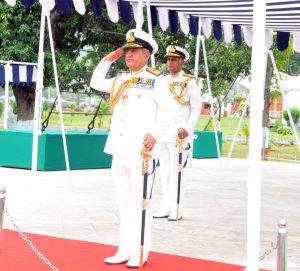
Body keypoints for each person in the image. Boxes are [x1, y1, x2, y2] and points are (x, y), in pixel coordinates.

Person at [90, 29, 165, 268]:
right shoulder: (121, 79)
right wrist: (107, 60)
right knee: (124, 203)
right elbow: (95, 82)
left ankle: (141, 251)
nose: (128, 55)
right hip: (119, 149)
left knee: (141, 203)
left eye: (133, 51)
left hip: (141, 152)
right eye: (127, 51)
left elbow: (169, 113)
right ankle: (125, 248)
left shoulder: (156, 80)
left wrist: (155, 135)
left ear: (146, 54)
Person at [153, 45, 201, 221]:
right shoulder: (162, 80)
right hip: (163, 133)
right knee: (165, 170)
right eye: (168, 59)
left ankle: (177, 207)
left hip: (179, 134)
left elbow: (196, 107)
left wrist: (187, 128)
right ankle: (165, 205)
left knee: (178, 172)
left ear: (182, 61)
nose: (170, 62)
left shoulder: (190, 81)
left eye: (174, 59)